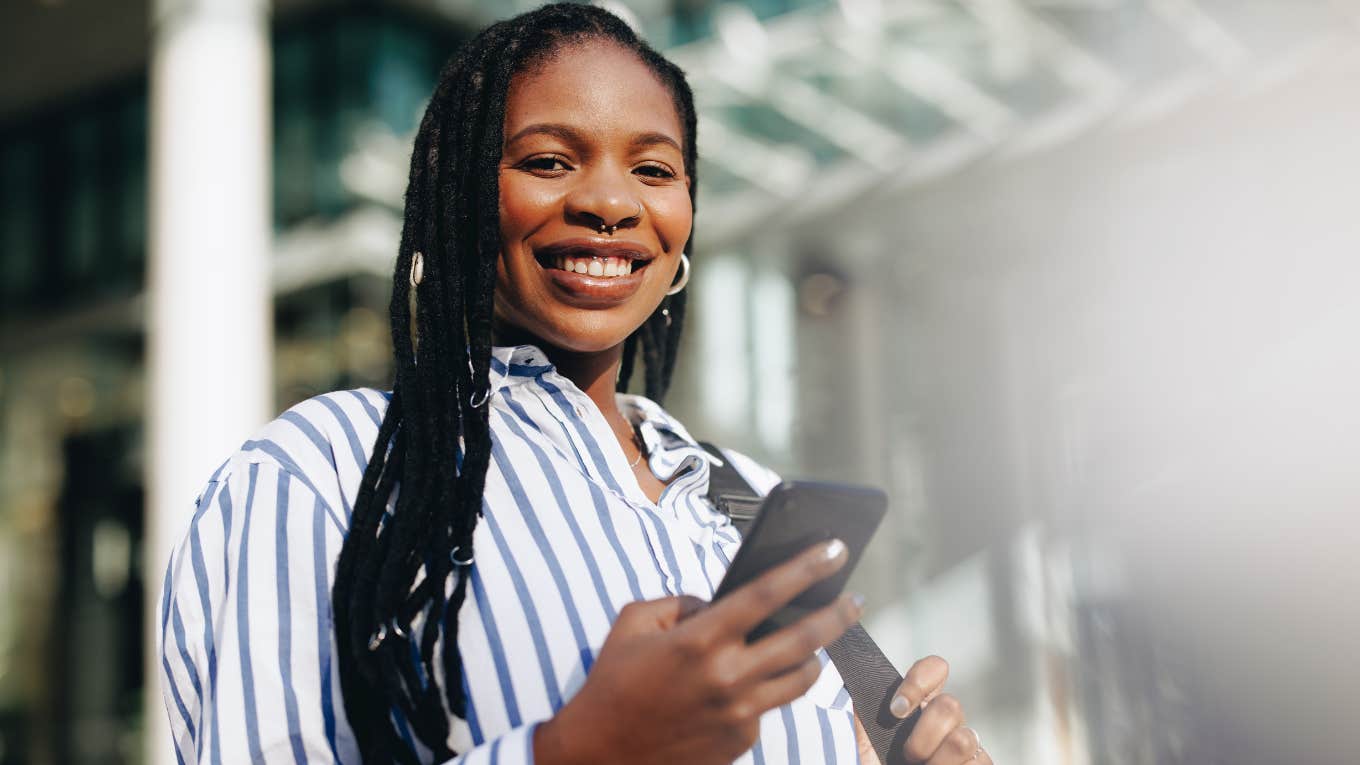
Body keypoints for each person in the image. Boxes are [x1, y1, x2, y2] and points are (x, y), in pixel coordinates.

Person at [157, 4, 991, 764]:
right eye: (550, 160)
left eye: (655, 171)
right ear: (459, 200)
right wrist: (581, 748)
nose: (609, 201)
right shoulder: (321, 475)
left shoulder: (746, 499)